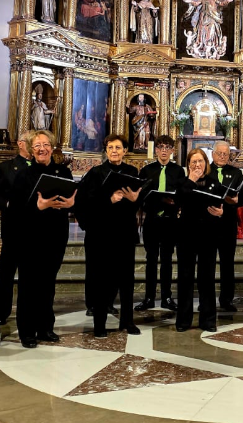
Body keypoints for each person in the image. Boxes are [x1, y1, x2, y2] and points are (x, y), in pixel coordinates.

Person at [11, 130, 76, 348]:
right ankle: (27, 331)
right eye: (37, 145)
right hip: (30, 236)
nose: (42, 149)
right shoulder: (23, 175)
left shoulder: (63, 171)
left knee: (48, 283)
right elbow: (15, 210)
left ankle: (45, 327)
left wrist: (71, 204)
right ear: (31, 149)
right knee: (29, 284)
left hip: (55, 234)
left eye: (46, 144)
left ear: (52, 147)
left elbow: (72, 197)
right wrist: (37, 206)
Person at [75, 134, 142, 337]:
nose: (114, 151)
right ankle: (100, 324)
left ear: (125, 151)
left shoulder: (132, 172)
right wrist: (109, 200)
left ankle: (127, 321)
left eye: (118, 147)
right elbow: (83, 203)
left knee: (126, 279)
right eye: (111, 147)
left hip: (125, 233)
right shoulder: (95, 173)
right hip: (101, 234)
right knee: (101, 279)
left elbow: (138, 202)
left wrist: (134, 199)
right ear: (106, 151)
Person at [0, 131, 34, 325]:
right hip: (14, 226)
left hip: (37, 228)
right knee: (7, 271)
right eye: (32, 142)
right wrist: (7, 204)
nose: (36, 146)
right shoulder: (6, 167)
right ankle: (0, 311)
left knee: (31, 275)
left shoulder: (42, 167)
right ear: (21, 144)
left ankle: (29, 313)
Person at [175, 148, 223, 332]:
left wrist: (221, 213)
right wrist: (191, 180)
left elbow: (220, 205)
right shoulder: (183, 182)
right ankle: (183, 321)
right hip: (186, 235)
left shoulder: (213, 182)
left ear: (206, 164)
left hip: (208, 236)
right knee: (185, 277)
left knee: (207, 278)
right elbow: (178, 199)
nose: (197, 165)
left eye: (200, 162)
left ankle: (208, 320)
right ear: (188, 165)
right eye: (193, 162)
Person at [136, 135, 186, 311]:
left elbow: (182, 193)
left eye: (167, 147)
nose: (164, 150)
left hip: (170, 221)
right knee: (151, 259)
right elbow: (141, 195)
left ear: (172, 150)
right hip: (152, 219)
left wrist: (174, 202)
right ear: (155, 149)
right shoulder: (147, 170)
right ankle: (149, 297)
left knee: (167, 260)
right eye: (160, 147)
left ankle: (166, 297)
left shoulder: (178, 171)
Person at [208, 141, 243, 312]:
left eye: (226, 154)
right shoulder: (204, 170)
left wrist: (237, 200)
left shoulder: (236, 172)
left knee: (227, 263)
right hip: (207, 224)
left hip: (227, 224)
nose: (223, 156)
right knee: (207, 263)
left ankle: (226, 299)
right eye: (220, 153)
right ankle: (207, 298)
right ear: (213, 154)